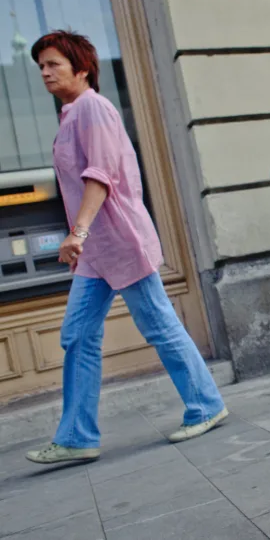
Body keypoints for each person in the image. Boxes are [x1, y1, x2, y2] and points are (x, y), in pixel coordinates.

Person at [25, 31, 228, 465]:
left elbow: (99, 176)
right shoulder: (72, 114)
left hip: (118, 241)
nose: (44, 72)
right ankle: (78, 436)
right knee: (76, 335)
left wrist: (76, 233)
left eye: (52, 63)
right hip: (95, 251)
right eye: (40, 65)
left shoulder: (93, 109)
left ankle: (206, 405)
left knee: (159, 326)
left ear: (81, 67)